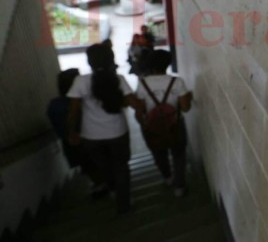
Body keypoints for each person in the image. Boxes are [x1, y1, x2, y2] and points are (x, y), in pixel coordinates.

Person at [67, 44, 136, 215]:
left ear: (89, 61)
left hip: (90, 137)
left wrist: (72, 133)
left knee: (103, 167)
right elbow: (131, 103)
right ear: (111, 59)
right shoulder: (118, 79)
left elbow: (73, 111)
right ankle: (124, 205)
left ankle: (112, 189)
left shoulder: (80, 81)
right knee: (121, 167)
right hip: (117, 132)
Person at [135, 49, 192, 197]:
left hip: (152, 127)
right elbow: (185, 108)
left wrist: (144, 125)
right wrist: (188, 97)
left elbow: (139, 111)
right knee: (179, 154)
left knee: (158, 153)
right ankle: (179, 187)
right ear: (167, 64)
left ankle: (167, 178)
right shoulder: (177, 82)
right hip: (175, 125)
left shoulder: (142, 84)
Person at [47, 69, 106, 198]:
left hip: (73, 143)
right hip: (94, 138)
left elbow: (57, 126)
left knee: (88, 166)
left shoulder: (55, 105)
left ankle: (100, 185)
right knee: (100, 162)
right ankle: (109, 184)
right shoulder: (87, 100)